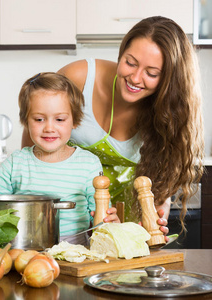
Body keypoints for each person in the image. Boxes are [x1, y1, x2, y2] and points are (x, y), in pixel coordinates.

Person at [22, 16, 205, 238]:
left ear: (169, 80)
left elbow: (159, 183)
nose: (135, 78)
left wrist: (158, 211)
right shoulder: (79, 78)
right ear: (121, 53)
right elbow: (32, 148)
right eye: (130, 62)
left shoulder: (170, 114)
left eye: (152, 73)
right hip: (62, 221)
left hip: (125, 227)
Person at [0, 72, 110, 245]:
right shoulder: (16, 163)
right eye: (39, 119)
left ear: (74, 121)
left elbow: (101, 217)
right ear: (25, 121)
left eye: (59, 119)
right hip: (23, 250)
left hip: (76, 252)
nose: (49, 128)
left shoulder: (88, 164)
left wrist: (111, 223)